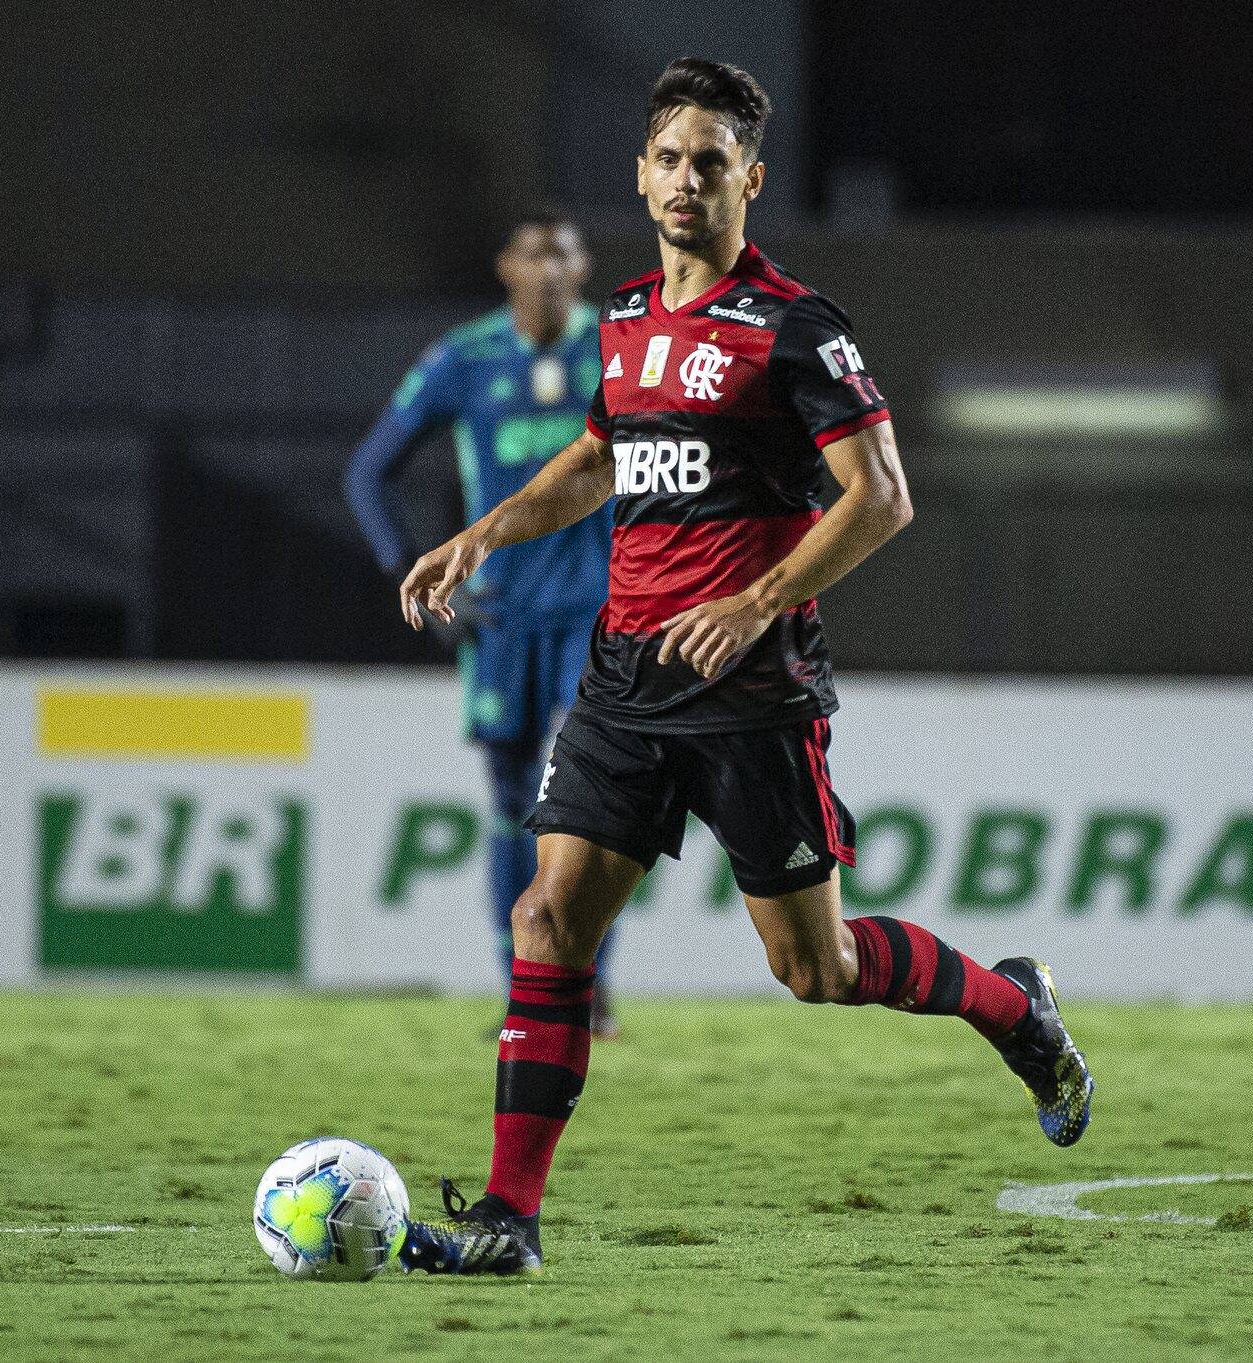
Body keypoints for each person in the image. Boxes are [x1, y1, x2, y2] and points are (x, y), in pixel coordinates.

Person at [390, 58, 1095, 1276]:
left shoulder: (793, 327)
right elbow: (594, 460)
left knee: (811, 969)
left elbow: (881, 497)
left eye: (709, 161)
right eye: (666, 158)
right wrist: (482, 530)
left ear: (749, 181)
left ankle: (1010, 1005)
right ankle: (508, 1221)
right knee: (547, 919)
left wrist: (759, 598)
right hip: (623, 679)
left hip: (748, 687)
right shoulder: (620, 321)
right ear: (640, 175)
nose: (683, 180)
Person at [345, 210, 622, 1038]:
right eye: (532, 253)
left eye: (563, 253)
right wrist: (418, 574)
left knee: (591, 800)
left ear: (582, 268)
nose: (547, 268)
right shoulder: (464, 358)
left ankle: (588, 987)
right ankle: (525, 992)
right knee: (510, 802)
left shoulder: (618, 347)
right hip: (498, 616)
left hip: (598, 611)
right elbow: (366, 475)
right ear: (506, 266)